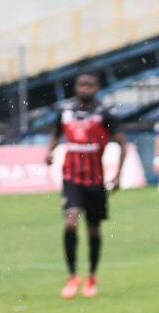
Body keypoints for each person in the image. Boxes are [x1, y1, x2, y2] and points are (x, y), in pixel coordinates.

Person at [45, 72, 127, 299]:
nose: (85, 89)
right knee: (71, 222)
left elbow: (122, 143)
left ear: (97, 88)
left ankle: (92, 276)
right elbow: (56, 134)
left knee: (93, 229)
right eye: (82, 84)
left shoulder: (105, 113)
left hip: (96, 180)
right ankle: (72, 276)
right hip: (71, 178)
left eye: (90, 85)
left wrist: (118, 176)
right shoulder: (65, 111)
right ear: (76, 87)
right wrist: (50, 151)